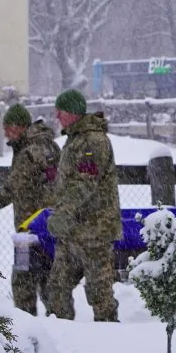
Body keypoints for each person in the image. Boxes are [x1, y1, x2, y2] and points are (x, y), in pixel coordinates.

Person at [0, 104, 60, 315]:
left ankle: (26, 324)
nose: (5, 132)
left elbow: (11, 188)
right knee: (49, 279)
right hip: (51, 226)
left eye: (8, 127)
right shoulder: (50, 147)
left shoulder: (29, 154)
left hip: (29, 229)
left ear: (19, 126)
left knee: (22, 283)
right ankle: (59, 322)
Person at [44, 89, 121, 322]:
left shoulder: (93, 141)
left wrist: (63, 212)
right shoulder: (74, 140)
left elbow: (84, 182)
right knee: (57, 286)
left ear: (74, 113)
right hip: (72, 232)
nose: (57, 116)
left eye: (61, 111)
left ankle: (110, 336)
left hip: (95, 231)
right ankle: (62, 334)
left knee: (99, 291)